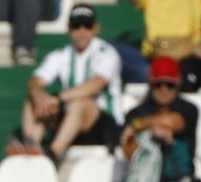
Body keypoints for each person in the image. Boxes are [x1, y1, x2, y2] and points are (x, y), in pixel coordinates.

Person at [77, 55, 201, 182]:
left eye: (169, 85)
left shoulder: (188, 109)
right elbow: (130, 151)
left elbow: (175, 122)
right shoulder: (136, 113)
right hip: (140, 181)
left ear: (178, 83)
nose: (164, 89)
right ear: (151, 83)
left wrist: (142, 126)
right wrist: (149, 133)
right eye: (159, 84)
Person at [20, 5, 124, 160]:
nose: (82, 31)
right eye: (76, 26)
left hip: (106, 126)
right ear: (69, 29)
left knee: (79, 103)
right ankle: (31, 147)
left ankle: (52, 154)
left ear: (96, 28)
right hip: (71, 122)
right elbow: (35, 80)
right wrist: (38, 95)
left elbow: (96, 85)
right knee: (34, 100)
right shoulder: (61, 55)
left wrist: (58, 98)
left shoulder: (107, 53)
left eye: (87, 26)